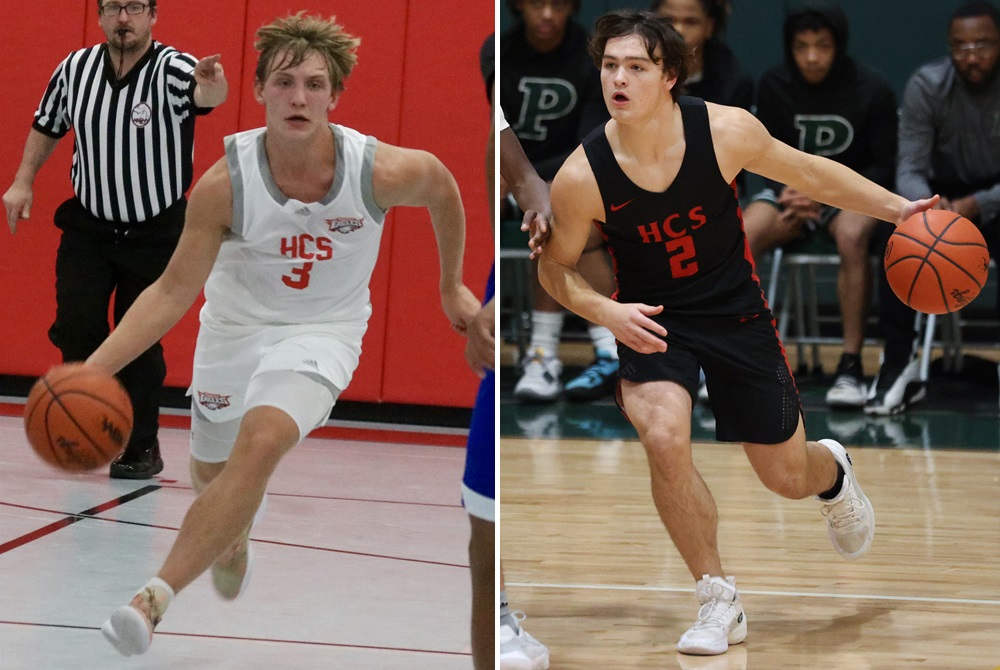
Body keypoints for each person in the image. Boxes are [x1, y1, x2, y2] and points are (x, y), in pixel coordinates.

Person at [538, 10, 937, 656]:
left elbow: (811, 172)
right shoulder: (582, 176)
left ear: (669, 75)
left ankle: (832, 473)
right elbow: (555, 272)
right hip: (653, 321)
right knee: (664, 436)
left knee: (784, 475)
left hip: (735, 312)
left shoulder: (723, 129)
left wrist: (901, 210)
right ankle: (717, 596)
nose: (619, 78)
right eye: (610, 65)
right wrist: (605, 312)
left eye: (636, 66)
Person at [81, 13, 480, 656]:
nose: (300, 97)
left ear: (335, 96)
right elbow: (170, 292)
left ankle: (151, 599)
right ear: (261, 90)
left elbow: (442, 185)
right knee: (214, 474)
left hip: (324, 331)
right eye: (286, 82)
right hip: (234, 331)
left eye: (315, 84)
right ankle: (232, 533)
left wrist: (451, 285)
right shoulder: (223, 185)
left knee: (262, 442)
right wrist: (93, 369)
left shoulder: (373, 170)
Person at [2, 0, 227, 479]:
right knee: (76, 325)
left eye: (134, 7)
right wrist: (23, 180)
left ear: (152, 14)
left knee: (139, 340)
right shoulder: (75, 68)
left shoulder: (172, 68)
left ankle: (142, 446)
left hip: (155, 231)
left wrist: (212, 85)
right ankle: (87, 428)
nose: (123, 17)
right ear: (100, 16)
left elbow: (206, 95)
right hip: (90, 226)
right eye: (112, 8)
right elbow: (48, 124)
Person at [740, 1, 898, 409]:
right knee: (742, 230)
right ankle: (740, 360)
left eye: (822, 45)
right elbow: (757, 153)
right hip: (791, 194)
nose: (812, 56)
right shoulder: (774, 84)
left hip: (852, 194)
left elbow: (884, 165)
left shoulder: (872, 87)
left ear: (839, 45)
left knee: (850, 235)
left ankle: (849, 365)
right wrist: (782, 190)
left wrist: (832, 194)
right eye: (802, 46)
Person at [870, 0, 1000, 415]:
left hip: (993, 199)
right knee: (894, 239)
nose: (972, 56)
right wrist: (931, 209)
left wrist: (977, 204)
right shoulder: (927, 84)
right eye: (961, 47)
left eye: (982, 44)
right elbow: (909, 166)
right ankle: (897, 365)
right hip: (939, 195)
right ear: (949, 47)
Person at [500, 0, 619, 403]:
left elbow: (589, 140)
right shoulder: (498, 51)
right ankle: (610, 347)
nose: (548, 14)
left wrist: (529, 180)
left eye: (558, 4)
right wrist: (505, 174)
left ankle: (544, 353)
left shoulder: (590, 57)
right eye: (538, 3)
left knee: (555, 215)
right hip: (502, 174)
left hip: (568, 173)